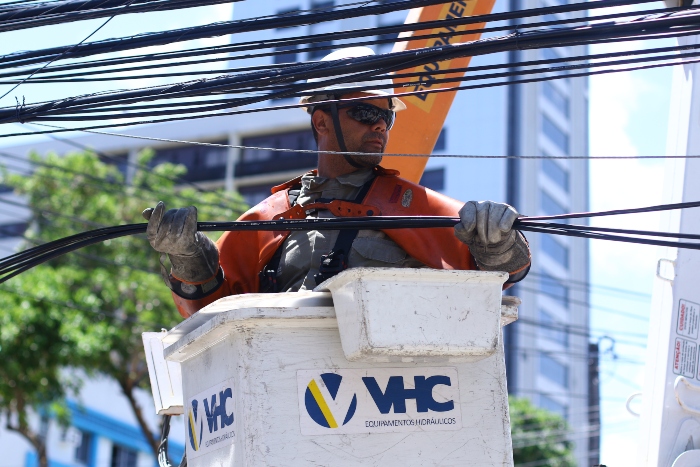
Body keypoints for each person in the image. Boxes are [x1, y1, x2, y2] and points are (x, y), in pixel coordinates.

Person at [143, 47, 531, 319]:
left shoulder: (413, 206)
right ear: (322, 121)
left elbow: (499, 276)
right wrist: (189, 256)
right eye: (365, 112)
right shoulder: (271, 217)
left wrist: (499, 243)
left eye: (386, 117)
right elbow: (206, 310)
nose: (380, 124)